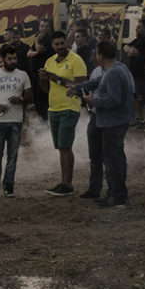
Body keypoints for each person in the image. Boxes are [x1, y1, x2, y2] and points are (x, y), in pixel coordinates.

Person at [71, 41, 135, 207]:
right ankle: (114, 193)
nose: (95, 55)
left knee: (112, 160)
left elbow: (114, 99)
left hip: (112, 123)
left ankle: (117, 197)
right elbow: (96, 82)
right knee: (115, 159)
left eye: (96, 53)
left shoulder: (113, 73)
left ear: (101, 55)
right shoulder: (117, 68)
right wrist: (77, 87)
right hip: (114, 121)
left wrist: (93, 100)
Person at [39, 30, 88, 195]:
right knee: (61, 147)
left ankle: (67, 185)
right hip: (53, 108)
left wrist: (57, 78)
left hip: (70, 107)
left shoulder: (76, 60)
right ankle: (64, 182)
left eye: (62, 43)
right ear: (52, 45)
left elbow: (82, 86)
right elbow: (45, 89)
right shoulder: (49, 61)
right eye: (56, 44)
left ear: (67, 42)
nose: (60, 47)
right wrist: (44, 79)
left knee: (65, 146)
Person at [0, 45, 33, 199]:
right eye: (9, 59)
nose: (13, 61)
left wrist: (21, 99)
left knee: (12, 156)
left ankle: (9, 186)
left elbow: (30, 97)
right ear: (2, 59)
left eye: (14, 58)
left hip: (15, 121)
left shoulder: (23, 75)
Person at [125, 18, 145, 128]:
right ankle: (139, 118)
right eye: (137, 27)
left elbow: (132, 51)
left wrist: (132, 51)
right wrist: (131, 51)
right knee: (137, 97)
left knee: (144, 98)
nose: (137, 29)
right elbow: (126, 47)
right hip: (135, 74)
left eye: (139, 27)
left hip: (143, 73)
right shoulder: (138, 40)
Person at [28, 19, 55, 121]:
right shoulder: (40, 37)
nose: (43, 28)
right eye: (42, 26)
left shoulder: (49, 37)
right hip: (35, 72)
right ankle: (41, 118)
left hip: (45, 73)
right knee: (35, 96)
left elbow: (40, 49)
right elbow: (29, 53)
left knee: (42, 97)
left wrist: (36, 41)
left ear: (49, 27)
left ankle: (45, 119)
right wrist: (35, 53)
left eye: (46, 26)